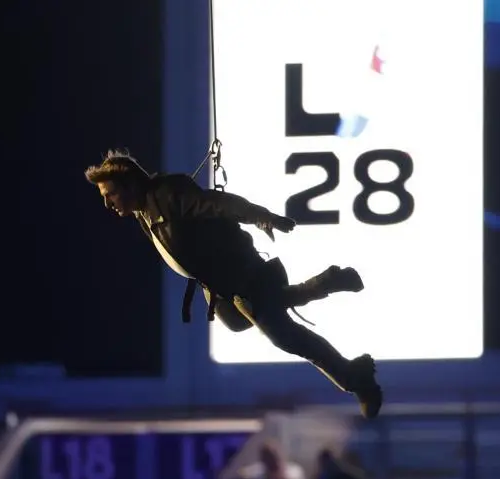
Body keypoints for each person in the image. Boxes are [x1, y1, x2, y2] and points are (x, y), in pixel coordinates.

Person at [84, 150, 382, 418]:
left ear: (131, 185)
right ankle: (325, 283)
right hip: (220, 286)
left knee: (285, 336)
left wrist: (260, 216)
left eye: (109, 194)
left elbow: (218, 204)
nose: (108, 204)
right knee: (246, 320)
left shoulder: (169, 194)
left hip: (241, 274)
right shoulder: (143, 212)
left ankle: (356, 377)